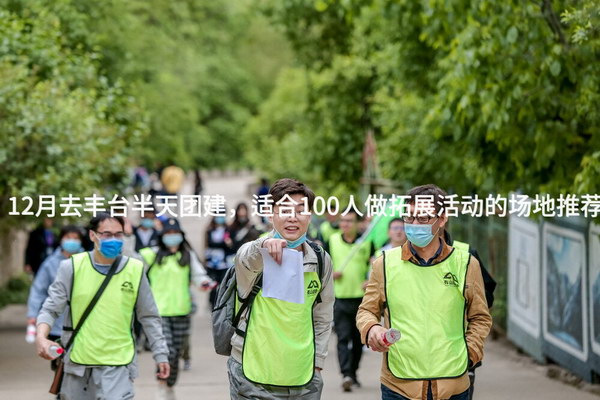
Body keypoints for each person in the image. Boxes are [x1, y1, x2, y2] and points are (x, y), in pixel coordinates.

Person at [356, 184, 492, 400]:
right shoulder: (384, 263)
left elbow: (480, 317)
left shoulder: (466, 263)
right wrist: (371, 328)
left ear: (442, 218)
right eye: (409, 217)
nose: (414, 224)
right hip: (399, 385)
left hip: (453, 385)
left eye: (423, 218)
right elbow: (366, 311)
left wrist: (470, 354)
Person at [35, 213, 170, 400]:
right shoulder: (72, 267)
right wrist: (41, 337)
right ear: (93, 235)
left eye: (118, 234)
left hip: (119, 363)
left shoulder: (135, 269)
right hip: (78, 364)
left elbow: (149, 316)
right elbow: (50, 309)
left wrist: (160, 354)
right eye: (107, 234)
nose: (113, 240)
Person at [228, 178, 334, 399]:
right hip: (252, 373)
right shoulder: (253, 253)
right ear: (270, 214)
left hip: (303, 377)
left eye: (300, 210)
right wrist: (264, 246)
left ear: (310, 216)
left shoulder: (321, 260)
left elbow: (323, 316)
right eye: (284, 210)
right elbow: (247, 258)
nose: (292, 217)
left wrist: (318, 364)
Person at [140, 218, 213, 400]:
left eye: (175, 234)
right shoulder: (152, 254)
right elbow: (132, 263)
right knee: (167, 351)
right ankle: (162, 384)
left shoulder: (187, 255)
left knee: (177, 352)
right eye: (168, 234)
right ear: (162, 236)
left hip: (182, 310)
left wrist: (204, 283)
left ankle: (170, 384)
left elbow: (198, 275)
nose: (172, 237)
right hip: (159, 312)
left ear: (181, 236)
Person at [442, 229, 496, 400]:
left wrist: (471, 350)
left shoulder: (465, 254)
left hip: (460, 348)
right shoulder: (403, 258)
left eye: (425, 217)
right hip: (419, 353)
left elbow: (486, 296)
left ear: (442, 219)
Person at [327, 210, 374, 392]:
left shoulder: (366, 242)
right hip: (339, 298)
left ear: (357, 223)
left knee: (358, 340)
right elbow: (323, 265)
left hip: (361, 300)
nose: (345, 224)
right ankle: (346, 374)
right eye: (343, 221)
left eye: (350, 221)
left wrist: (369, 279)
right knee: (342, 337)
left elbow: (373, 264)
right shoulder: (332, 241)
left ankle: (353, 372)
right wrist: (332, 274)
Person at [27, 225, 84, 371]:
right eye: (68, 238)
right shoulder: (50, 263)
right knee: (59, 364)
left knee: (80, 362)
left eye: (76, 238)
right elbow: (38, 289)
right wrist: (33, 314)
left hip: (83, 322)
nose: (72, 241)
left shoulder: (87, 260)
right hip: (57, 325)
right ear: (61, 240)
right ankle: (60, 392)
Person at [205, 215, 234, 307]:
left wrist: (223, 244)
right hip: (212, 264)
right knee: (213, 286)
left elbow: (229, 246)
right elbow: (209, 244)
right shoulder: (210, 229)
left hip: (224, 264)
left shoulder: (228, 229)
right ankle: (212, 305)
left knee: (223, 286)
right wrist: (222, 243)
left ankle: (221, 306)